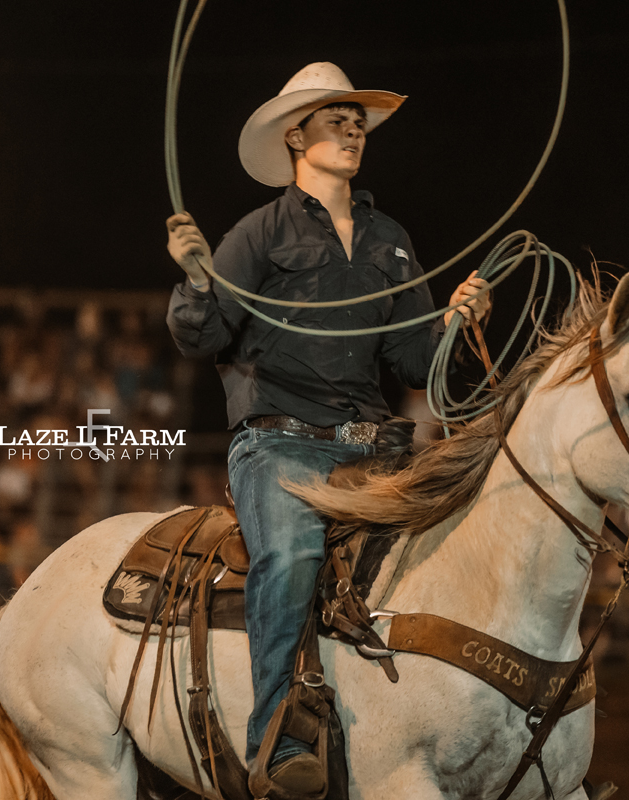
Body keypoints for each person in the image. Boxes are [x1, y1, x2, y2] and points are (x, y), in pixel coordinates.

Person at [165, 62, 489, 795]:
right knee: (287, 555)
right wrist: (197, 279)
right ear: (294, 136)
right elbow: (201, 334)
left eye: (357, 123)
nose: (352, 131)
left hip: (372, 449)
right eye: (335, 121)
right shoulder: (258, 233)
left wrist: (454, 323)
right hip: (277, 444)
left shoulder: (390, 240)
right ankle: (276, 742)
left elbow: (414, 362)